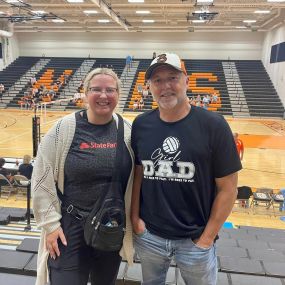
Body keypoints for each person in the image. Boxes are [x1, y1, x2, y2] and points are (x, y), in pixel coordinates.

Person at [131, 53, 242, 285]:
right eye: (157, 80)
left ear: (186, 81)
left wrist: (207, 238)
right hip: (150, 236)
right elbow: (138, 175)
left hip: (195, 240)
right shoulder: (141, 125)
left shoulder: (214, 125)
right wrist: (135, 220)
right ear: (149, 86)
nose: (165, 86)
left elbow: (228, 188)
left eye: (172, 78)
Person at [31, 67, 134, 285]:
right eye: (96, 89)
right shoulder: (63, 128)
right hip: (69, 227)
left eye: (110, 90)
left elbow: (136, 182)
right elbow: (41, 177)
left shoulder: (128, 132)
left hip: (110, 227)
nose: (104, 95)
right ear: (85, 93)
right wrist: (50, 225)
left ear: (118, 94)